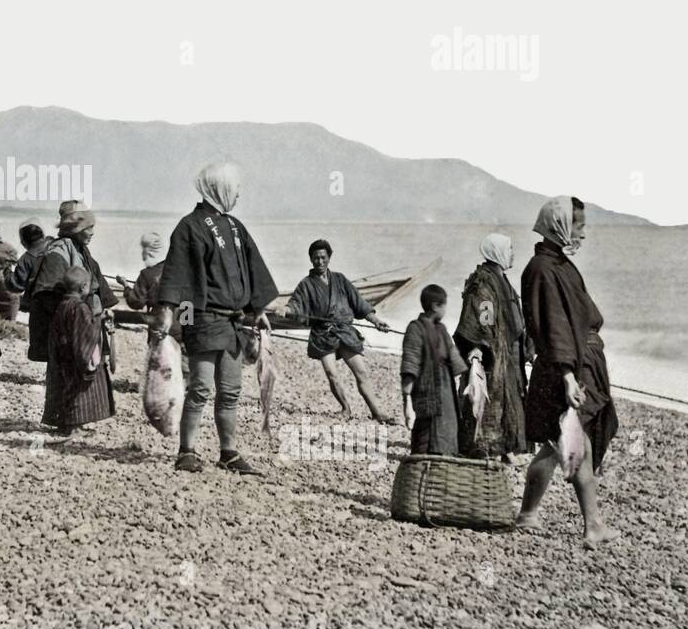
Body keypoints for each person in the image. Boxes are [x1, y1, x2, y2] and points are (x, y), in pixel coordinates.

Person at [156, 163, 278, 474]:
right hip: (203, 319)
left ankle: (229, 452)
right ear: (220, 188)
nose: (239, 194)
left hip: (233, 323)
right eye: (235, 188)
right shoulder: (189, 227)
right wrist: (176, 320)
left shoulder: (236, 227)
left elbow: (253, 272)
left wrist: (259, 312)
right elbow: (177, 278)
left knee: (231, 389)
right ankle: (187, 450)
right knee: (200, 387)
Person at [516, 197, 620, 548]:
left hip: (571, 361)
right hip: (569, 364)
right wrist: (569, 376)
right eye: (579, 225)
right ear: (559, 224)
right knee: (576, 439)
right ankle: (593, 526)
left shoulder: (554, 265)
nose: (583, 234)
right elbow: (555, 326)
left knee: (552, 442)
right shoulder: (544, 269)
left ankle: (528, 514)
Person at [29, 207, 119, 429]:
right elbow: (48, 294)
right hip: (71, 329)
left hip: (82, 324)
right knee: (71, 373)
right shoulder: (58, 252)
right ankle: (67, 420)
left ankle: (75, 419)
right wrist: (71, 322)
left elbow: (97, 285)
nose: (92, 233)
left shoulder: (81, 251)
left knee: (82, 372)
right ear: (78, 229)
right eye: (89, 228)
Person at [286, 240, 393, 423]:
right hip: (322, 335)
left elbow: (360, 304)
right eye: (316, 258)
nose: (320, 262)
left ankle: (377, 411)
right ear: (311, 259)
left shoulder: (340, 279)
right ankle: (346, 408)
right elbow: (296, 304)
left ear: (329, 258)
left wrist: (376, 322)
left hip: (344, 331)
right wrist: (288, 309)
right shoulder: (305, 285)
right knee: (332, 373)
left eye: (323, 258)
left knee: (361, 372)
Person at [453, 233, 532, 460]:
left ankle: (504, 446)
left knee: (511, 399)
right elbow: (484, 316)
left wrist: (527, 345)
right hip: (493, 353)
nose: (513, 253)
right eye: (510, 249)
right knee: (490, 400)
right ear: (497, 253)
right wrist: (480, 345)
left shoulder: (501, 280)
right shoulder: (484, 283)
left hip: (509, 352)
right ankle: (484, 448)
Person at [47, 267, 114, 435]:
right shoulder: (80, 308)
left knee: (66, 388)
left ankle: (65, 423)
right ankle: (74, 427)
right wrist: (100, 320)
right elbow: (87, 331)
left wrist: (98, 318)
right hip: (76, 355)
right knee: (79, 389)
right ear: (83, 286)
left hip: (63, 355)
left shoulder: (63, 305)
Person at [401, 285, 467, 455]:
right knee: (426, 432)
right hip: (426, 388)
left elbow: (455, 359)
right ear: (435, 306)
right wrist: (407, 398)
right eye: (444, 305)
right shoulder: (415, 328)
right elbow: (411, 363)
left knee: (448, 427)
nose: (446, 309)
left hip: (446, 391)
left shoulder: (442, 329)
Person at [117, 231, 181, 341]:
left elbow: (135, 302)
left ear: (149, 251)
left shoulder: (146, 274)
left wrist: (125, 286)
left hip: (159, 327)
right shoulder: (179, 271)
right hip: (181, 326)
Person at [7, 221, 52, 310]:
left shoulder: (26, 258)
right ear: (42, 234)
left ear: (24, 241)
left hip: (40, 305)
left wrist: (7, 271)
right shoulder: (55, 245)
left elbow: (16, 285)